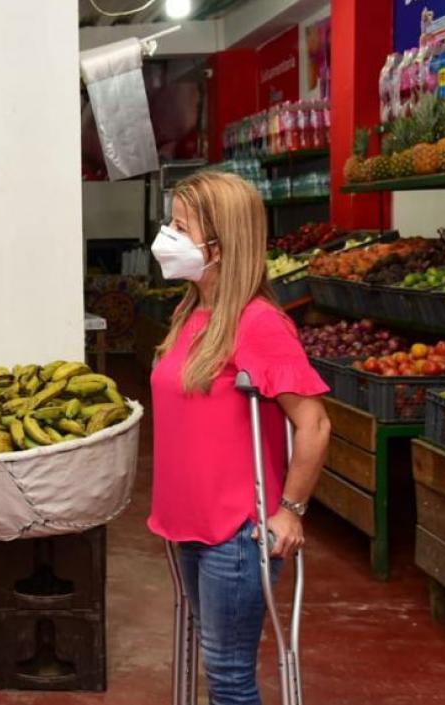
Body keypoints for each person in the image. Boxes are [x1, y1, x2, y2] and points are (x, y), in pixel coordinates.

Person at [148, 172, 332, 705]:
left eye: (181, 228)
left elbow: (314, 424)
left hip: (236, 531)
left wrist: (290, 509)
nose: (168, 238)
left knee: (229, 676)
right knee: (213, 662)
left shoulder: (259, 324)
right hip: (189, 523)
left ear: (221, 244)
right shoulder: (191, 313)